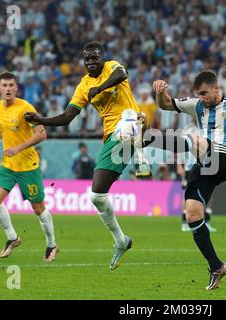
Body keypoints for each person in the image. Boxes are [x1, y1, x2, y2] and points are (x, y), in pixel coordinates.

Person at [24, 41, 148, 270]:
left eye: (95, 58)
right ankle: (121, 240)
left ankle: (142, 159)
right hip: (112, 138)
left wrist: (99, 89)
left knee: (130, 119)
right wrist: (39, 120)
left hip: (129, 126)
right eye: (87, 59)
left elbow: (123, 74)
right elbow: (67, 117)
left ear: (103, 57)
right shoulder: (83, 85)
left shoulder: (112, 67)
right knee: (96, 195)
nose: (91, 62)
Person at [150, 70, 226, 290]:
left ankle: (149, 139)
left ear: (216, 89)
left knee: (195, 139)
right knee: (191, 213)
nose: (201, 98)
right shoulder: (196, 104)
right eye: (198, 94)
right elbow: (165, 104)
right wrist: (160, 92)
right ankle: (216, 266)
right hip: (206, 163)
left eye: (204, 93)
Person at [0, 72, 58, 261]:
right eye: (5, 85)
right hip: (8, 165)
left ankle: (52, 244)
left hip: (28, 166)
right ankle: (12, 238)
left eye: (11, 85)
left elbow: (42, 134)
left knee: (38, 208)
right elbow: (1, 125)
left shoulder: (25, 108)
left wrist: (17, 148)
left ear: (16, 88)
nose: (8, 88)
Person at [178, 121, 216, 232]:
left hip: (206, 165)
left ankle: (207, 221)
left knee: (209, 193)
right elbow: (180, 149)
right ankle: (185, 222)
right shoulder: (188, 128)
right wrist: (179, 166)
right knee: (187, 193)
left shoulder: (209, 127)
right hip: (190, 167)